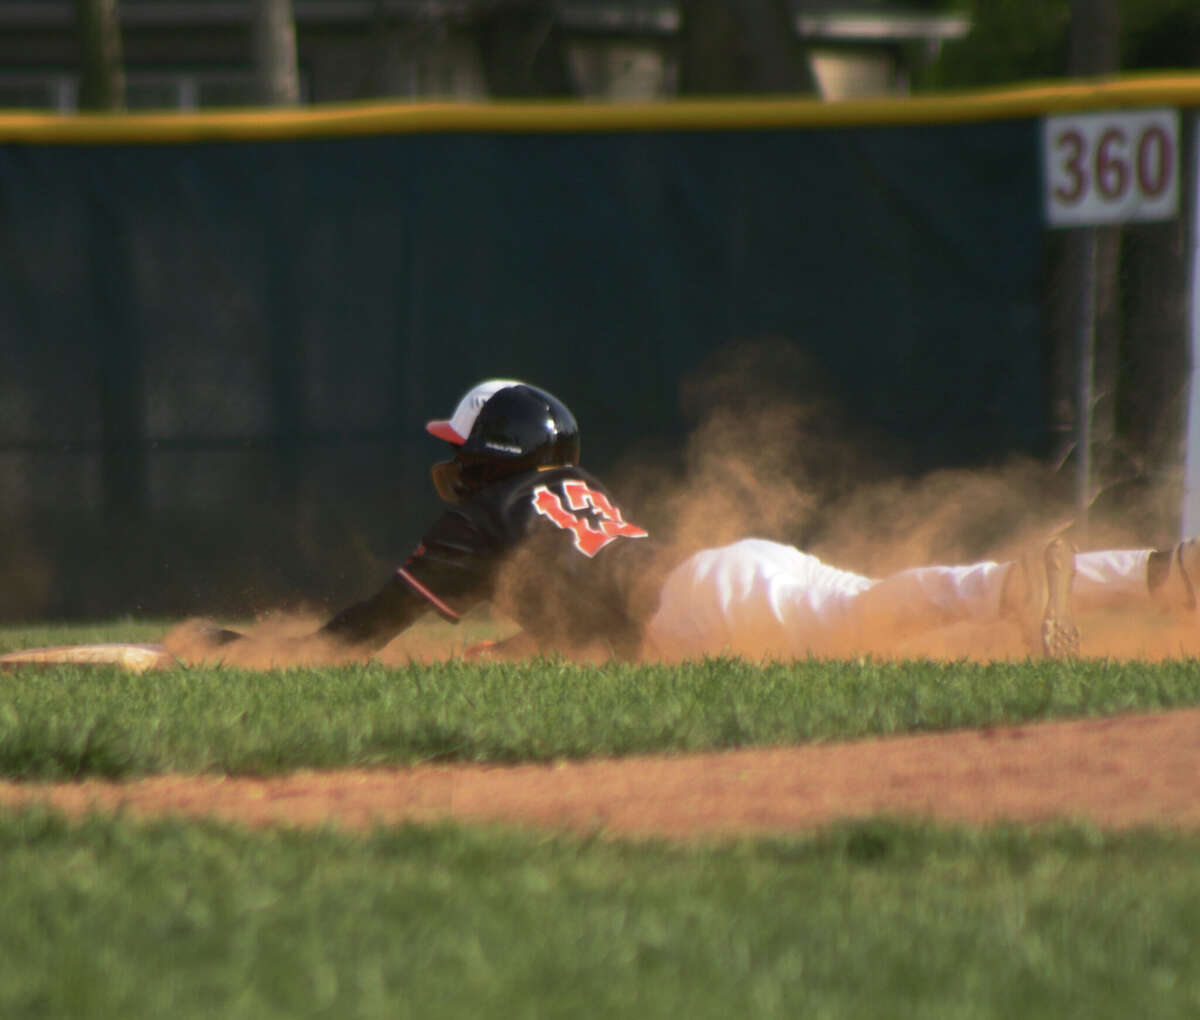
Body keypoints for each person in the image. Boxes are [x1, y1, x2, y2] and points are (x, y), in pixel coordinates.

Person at [203, 379, 1200, 662]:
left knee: (874, 617)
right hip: (724, 573)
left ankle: (1019, 584)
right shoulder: (564, 505)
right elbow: (576, 630)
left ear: (487, 456)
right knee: (875, 614)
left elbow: (373, 624)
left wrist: (258, 649)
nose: (453, 462)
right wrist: (497, 660)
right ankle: (1161, 573)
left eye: (461, 445)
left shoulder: (490, 516)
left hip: (710, 603)